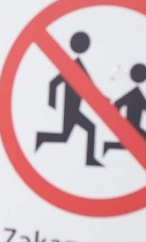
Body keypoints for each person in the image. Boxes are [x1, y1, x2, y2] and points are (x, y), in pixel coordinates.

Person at [35, 31, 102, 166]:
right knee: (88, 129)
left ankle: (41, 138)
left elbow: (90, 88)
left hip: (74, 107)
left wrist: (102, 100)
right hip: (70, 109)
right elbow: (54, 83)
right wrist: (52, 103)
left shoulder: (78, 66)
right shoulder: (72, 66)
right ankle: (89, 159)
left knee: (66, 136)